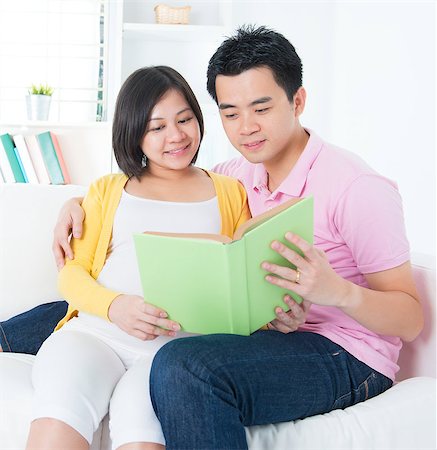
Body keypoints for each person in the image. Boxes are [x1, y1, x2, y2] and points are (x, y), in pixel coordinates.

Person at [3, 24, 423, 449]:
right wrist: (73, 204)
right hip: (273, 331)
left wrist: (338, 292)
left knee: (181, 365)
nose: (246, 128)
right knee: (104, 299)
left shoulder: (357, 187)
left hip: (344, 354)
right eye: (230, 112)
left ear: (298, 101)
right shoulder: (236, 176)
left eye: (261, 108)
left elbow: (410, 318)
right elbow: (157, 191)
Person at [25, 65, 250, 450]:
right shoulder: (110, 189)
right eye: (156, 127)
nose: (176, 135)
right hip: (97, 335)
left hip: (172, 358)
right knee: (62, 404)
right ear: (134, 133)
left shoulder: (231, 191)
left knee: (141, 427)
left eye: (184, 119)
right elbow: (72, 273)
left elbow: (242, 271)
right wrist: (116, 308)